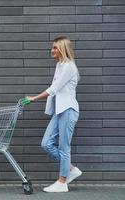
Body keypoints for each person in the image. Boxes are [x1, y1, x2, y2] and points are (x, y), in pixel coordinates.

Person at [25, 36, 82, 193]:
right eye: (52, 47)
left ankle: (62, 182)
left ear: (63, 49)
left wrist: (34, 98)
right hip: (59, 111)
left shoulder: (69, 67)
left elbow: (54, 89)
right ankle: (70, 169)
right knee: (46, 143)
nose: (52, 50)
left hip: (68, 110)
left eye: (55, 48)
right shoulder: (60, 65)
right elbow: (54, 88)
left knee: (64, 147)